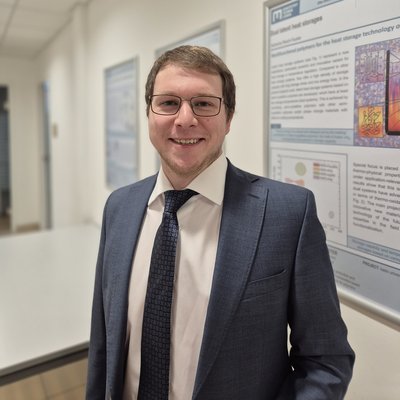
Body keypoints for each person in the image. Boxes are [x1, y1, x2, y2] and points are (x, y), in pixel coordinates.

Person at [86, 45, 355, 400]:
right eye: (168, 103)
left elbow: (326, 361)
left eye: (203, 103)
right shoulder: (119, 208)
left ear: (228, 118)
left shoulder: (289, 214)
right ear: (149, 113)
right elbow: (103, 346)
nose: (185, 119)